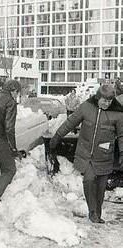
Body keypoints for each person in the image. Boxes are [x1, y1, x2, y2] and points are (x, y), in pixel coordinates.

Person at [50, 84, 123, 224]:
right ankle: (93, 213)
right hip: (86, 154)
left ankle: (97, 214)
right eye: (104, 100)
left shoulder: (118, 114)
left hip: (104, 155)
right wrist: (57, 137)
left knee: (101, 188)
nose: (107, 103)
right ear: (97, 98)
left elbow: (121, 136)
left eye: (110, 101)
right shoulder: (86, 107)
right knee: (88, 180)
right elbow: (70, 123)